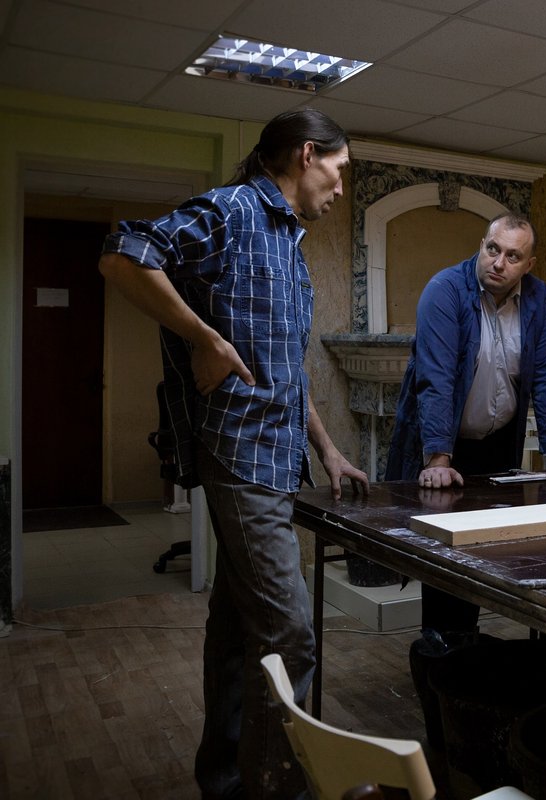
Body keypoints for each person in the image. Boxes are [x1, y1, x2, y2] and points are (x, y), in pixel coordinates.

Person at [98, 108, 369, 800]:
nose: (341, 188)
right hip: (241, 455)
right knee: (290, 633)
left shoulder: (289, 244)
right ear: (307, 155)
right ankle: (274, 790)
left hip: (277, 458)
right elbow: (123, 254)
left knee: (237, 629)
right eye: (339, 170)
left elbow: (285, 370)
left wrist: (329, 449)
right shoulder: (234, 211)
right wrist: (205, 338)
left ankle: (222, 779)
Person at [384, 212, 546, 634]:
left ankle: (470, 648)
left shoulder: (538, 298)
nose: (499, 262)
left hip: (499, 446)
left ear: (529, 264)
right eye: (492, 249)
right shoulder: (445, 290)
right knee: (445, 562)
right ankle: (441, 650)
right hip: (448, 450)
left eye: (512, 256)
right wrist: (438, 458)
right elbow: (436, 378)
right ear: (481, 246)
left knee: (486, 555)